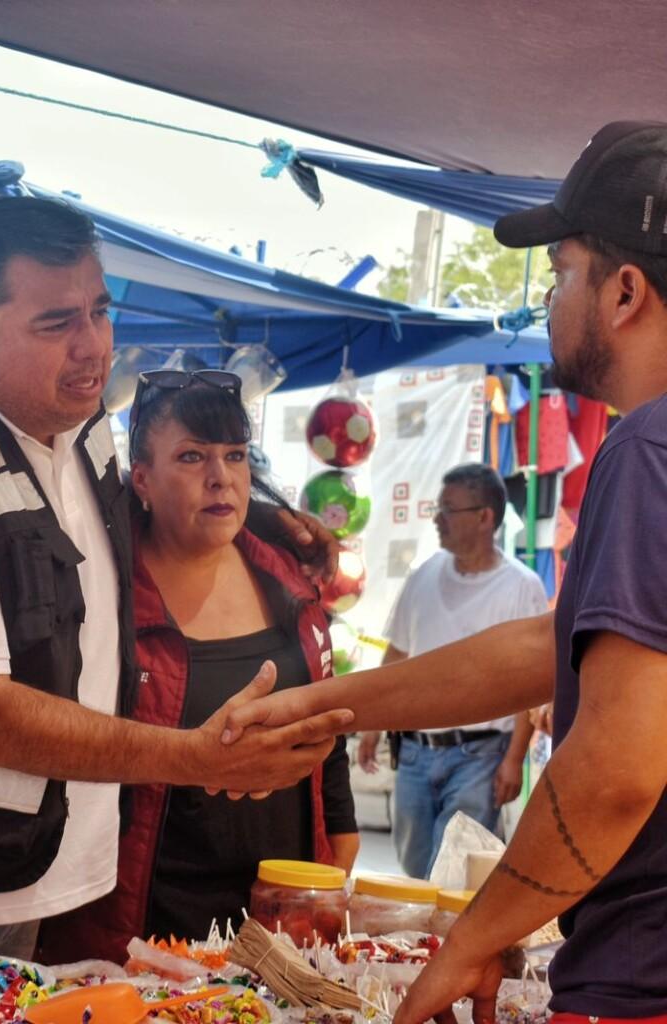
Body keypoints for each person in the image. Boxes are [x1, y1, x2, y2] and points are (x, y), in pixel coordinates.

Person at [0, 196, 349, 967]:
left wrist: (264, 521)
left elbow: (122, 515)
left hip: (60, 880)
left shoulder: (82, 421)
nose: (92, 347)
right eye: (56, 323)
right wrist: (191, 756)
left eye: (100, 313)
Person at [220, 121, 667, 1022]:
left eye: (560, 274)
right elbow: (554, 643)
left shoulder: (647, 449)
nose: (548, 302)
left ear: (624, 291)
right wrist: (323, 705)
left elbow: (619, 763)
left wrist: (473, 938)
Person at [39, 370, 358, 960]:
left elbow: (325, 733)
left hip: (278, 923)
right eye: (191, 457)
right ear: (141, 479)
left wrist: (338, 856)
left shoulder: (289, 577)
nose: (220, 477)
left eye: (234, 455)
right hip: (142, 923)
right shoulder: (101, 591)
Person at [357, 463, 547, 878]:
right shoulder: (424, 575)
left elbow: (531, 683)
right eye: (438, 510)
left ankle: (449, 945)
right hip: (415, 751)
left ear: (485, 517)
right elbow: (397, 655)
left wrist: (514, 759)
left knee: (456, 868)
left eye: (448, 510)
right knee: (412, 863)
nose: (437, 520)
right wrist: (371, 723)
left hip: (480, 755)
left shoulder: (521, 586)